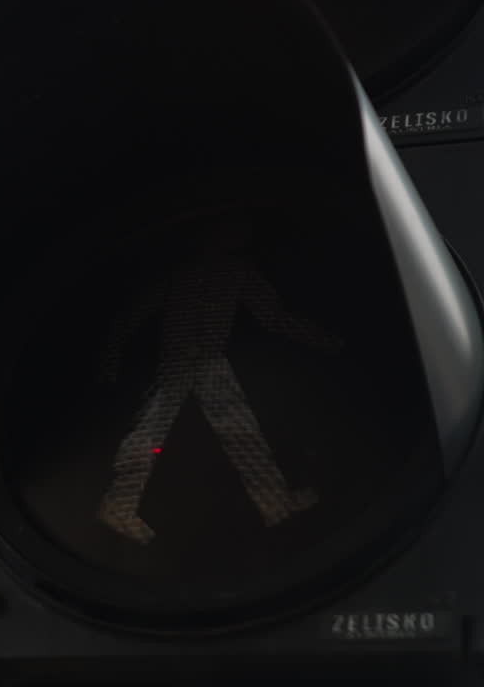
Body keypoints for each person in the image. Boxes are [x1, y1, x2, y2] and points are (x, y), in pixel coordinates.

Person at [96, 215, 337, 544]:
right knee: (150, 433)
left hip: (209, 362)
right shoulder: (180, 273)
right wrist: (110, 359)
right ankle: (119, 504)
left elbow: (275, 317)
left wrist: (324, 339)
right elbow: (131, 316)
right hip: (178, 363)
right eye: (230, 229)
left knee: (241, 433)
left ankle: (275, 502)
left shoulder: (238, 272)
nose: (239, 235)